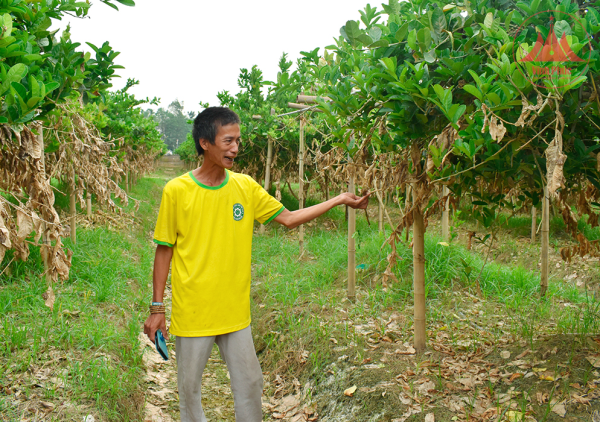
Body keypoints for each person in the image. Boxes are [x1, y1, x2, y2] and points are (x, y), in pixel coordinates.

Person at [143, 106, 370, 422]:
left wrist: (338, 200)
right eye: (228, 140)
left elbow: (289, 219)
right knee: (190, 392)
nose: (235, 148)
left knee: (250, 385)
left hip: (236, 312)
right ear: (205, 143)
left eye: (238, 140)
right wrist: (157, 309)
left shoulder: (245, 187)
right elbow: (164, 250)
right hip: (195, 311)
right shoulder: (178, 191)